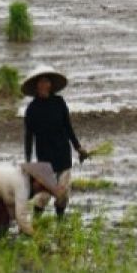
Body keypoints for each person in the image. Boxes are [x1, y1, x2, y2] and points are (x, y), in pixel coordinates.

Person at [22, 65, 90, 218]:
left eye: (47, 81)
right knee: (44, 195)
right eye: (40, 82)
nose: (44, 85)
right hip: (45, 158)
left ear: (50, 85)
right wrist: (27, 161)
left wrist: (78, 148)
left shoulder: (59, 103)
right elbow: (28, 137)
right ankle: (37, 221)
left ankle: (60, 221)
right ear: (36, 86)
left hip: (63, 154)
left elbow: (68, 127)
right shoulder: (32, 110)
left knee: (63, 193)